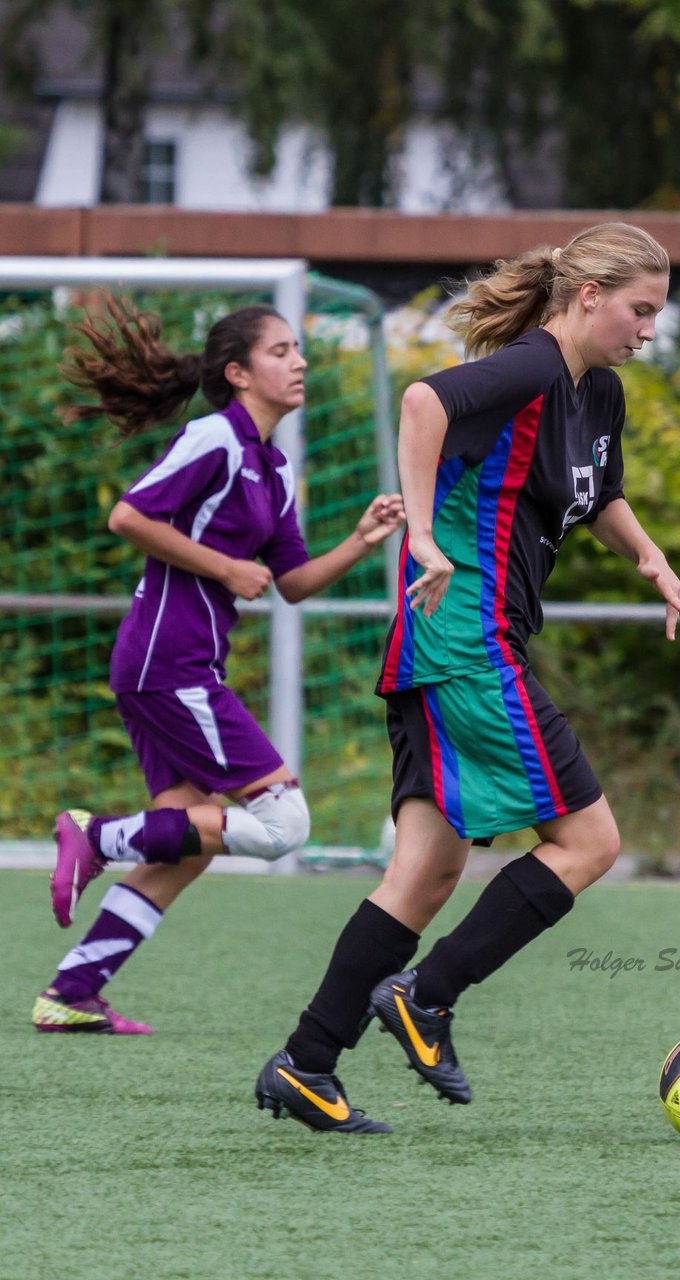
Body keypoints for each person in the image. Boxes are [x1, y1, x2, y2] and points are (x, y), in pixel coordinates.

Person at [254, 222, 680, 1134]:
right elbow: (422, 404)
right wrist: (420, 533)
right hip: (466, 639)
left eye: (657, 311)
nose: (648, 328)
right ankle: (430, 996)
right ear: (586, 298)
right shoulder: (529, 370)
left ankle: (307, 1062)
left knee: (425, 869)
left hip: (454, 645)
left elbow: (598, 494)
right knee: (590, 842)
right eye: (639, 309)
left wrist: (649, 557)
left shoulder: (594, 393)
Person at [32, 296, 404, 1036]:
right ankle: (93, 835)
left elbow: (292, 582)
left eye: (299, 349)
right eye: (280, 351)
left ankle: (71, 992)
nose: (299, 362)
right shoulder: (216, 438)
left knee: (188, 840)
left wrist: (361, 540)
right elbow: (129, 515)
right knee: (281, 823)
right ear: (237, 373)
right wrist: (226, 568)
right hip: (169, 662)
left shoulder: (273, 465)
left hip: (171, 665)